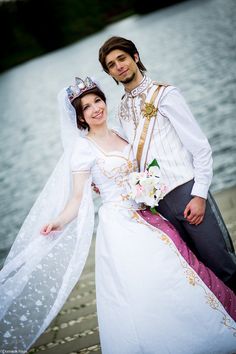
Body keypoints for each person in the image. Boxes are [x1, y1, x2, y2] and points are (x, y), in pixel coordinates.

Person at [1, 76, 236, 353]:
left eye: (97, 100)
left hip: (149, 215)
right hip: (121, 226)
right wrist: (59, 221)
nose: (95, 108)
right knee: (145, 286)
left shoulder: (121, 132)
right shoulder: (82, 148)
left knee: (178, 276)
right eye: (86, 107)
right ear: (80, 118)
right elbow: (77, 198)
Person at [98, 36, 236, 293]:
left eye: (122, 58)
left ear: (135, 57)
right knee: (198, 275)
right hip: (159, 205)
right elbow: (129, 157)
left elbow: (201, 147)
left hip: (188, 194)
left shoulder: (165, 95)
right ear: (109, 73)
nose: (119, 66)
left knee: (223, 267)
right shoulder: (121, 110)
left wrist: (199, 194)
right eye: (112, 64)